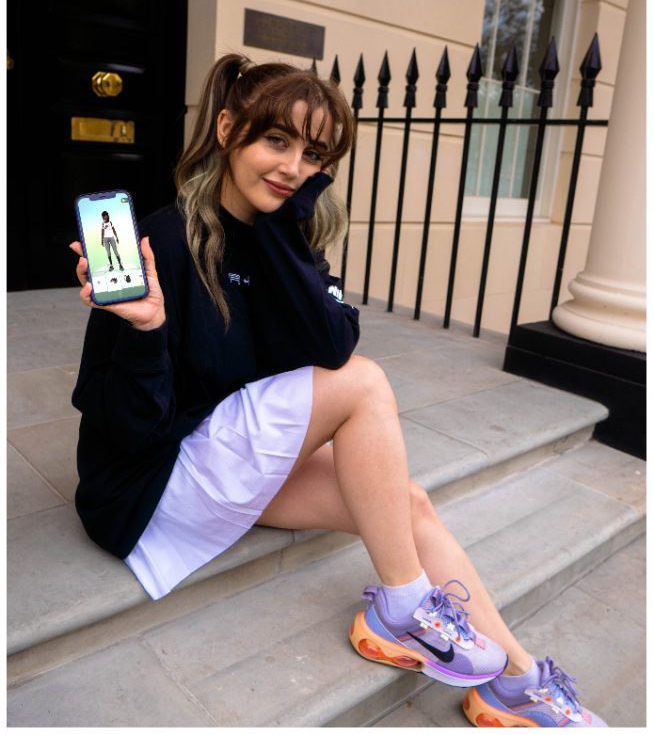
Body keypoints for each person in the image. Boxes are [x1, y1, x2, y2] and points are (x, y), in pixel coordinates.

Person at [70, 53, 606, 728]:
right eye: (276, 140)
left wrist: (279, 228)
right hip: (147, 484)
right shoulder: (163, 242)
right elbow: (125, 428)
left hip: (218, 453)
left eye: (314, 154)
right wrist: (147, 331)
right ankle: (403, 607)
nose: (293, 167)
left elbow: (330, 344)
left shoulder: (285, 239)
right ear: (228, 129)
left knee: (407, 500)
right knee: (364, 385)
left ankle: (517, 683)